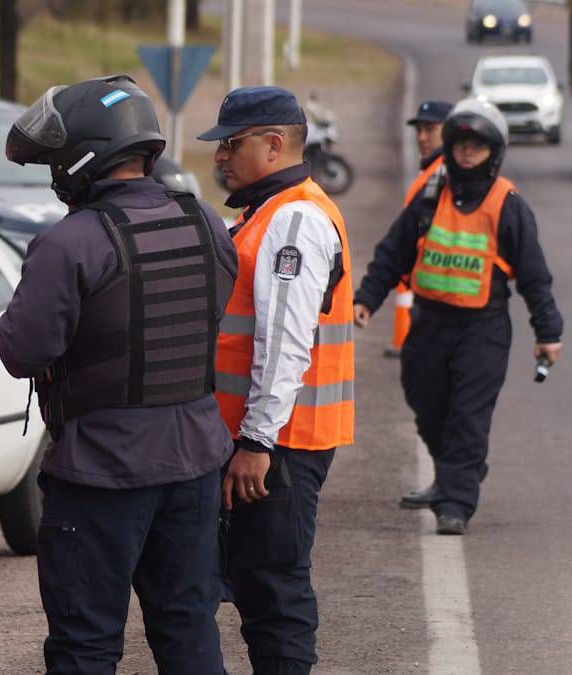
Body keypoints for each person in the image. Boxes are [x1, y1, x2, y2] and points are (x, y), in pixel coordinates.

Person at [0, 74, 237, 675]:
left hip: (102, 471)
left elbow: (22, 352)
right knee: (188, 627)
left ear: (84, 154)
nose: (55, 173)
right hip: (196, 462)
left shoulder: (69, 242)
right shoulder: (203, 219)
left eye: (56, 159)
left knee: (86, 644)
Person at [352, 99, 564, 535]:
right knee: (426, 405)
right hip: (429, 324)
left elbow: (534, 275)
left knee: (468, 416)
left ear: (494, 151)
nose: (468, 152)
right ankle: (458, 469)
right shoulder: (432, 196)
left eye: (478, 145)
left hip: (482, 329)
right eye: (461, 144)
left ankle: (455, 502)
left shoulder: (508, 204)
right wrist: (367, 298)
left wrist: (548, 332)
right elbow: (394, 251)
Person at [200, 85, 355, 675]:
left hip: (279, 446)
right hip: (272, 441)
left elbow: (284, 344)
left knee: (273, 592)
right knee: (259, 582)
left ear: (272, 144)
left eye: (229, 145)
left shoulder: (293, 220)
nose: (219, 157)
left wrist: (257, 442)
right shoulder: (269, 213)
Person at [385, 100, 453, 360]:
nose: (422, 138)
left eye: (430, 130)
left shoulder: (444, 174)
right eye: (419, 130)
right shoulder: (431, 171)